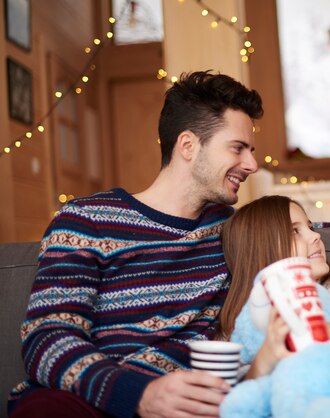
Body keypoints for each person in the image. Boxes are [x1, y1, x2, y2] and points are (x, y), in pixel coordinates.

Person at [8, 70, 263, 418]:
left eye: (252, 150)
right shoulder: (87, 220)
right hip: (92, 399)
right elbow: (48, 338)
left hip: (187, 403)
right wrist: (138, 395)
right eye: (238, 148)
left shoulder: (233, 231)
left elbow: (304, 230)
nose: (252, 164)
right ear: (188, 145)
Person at [217, 195, 330, 377]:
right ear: (262, 249)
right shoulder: (248, 319)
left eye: (310, 227)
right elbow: (235, 392)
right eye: (294, 231)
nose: (316, 235)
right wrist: (263, 363)